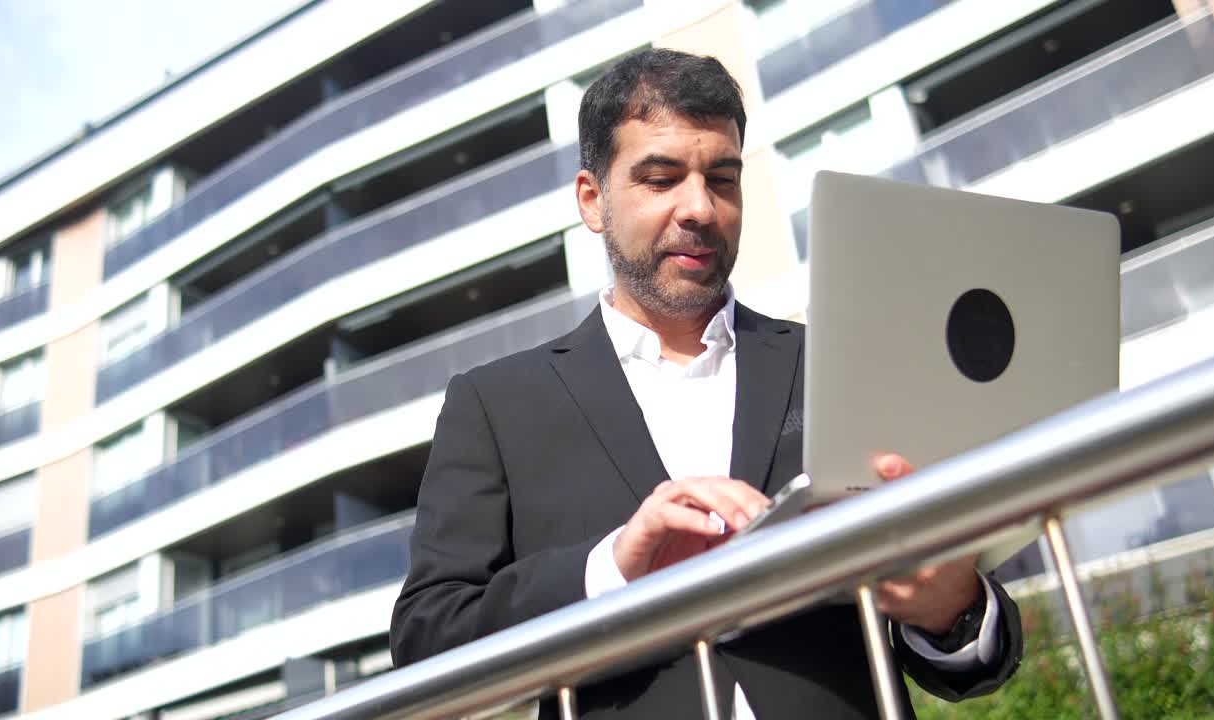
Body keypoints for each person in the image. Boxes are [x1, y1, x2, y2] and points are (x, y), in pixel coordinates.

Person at [391, 49, 1022, 719]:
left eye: (722, 179)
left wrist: (952, 607)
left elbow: (971, 643)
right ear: (592, 200)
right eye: (661, 179)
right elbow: (428, 637)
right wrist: (611, 570)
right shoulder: (495, 405)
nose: (699, 208)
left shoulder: (839, 365)